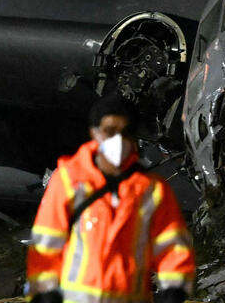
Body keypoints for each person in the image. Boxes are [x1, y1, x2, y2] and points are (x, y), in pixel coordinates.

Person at [26, 91, 196, 303]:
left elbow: (172, 246)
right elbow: (46, 243)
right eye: (109, 131)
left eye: (125, 132)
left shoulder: (151, 189)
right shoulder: (68, 182)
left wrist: (173, 292)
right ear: (95, 132)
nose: (117, 140)